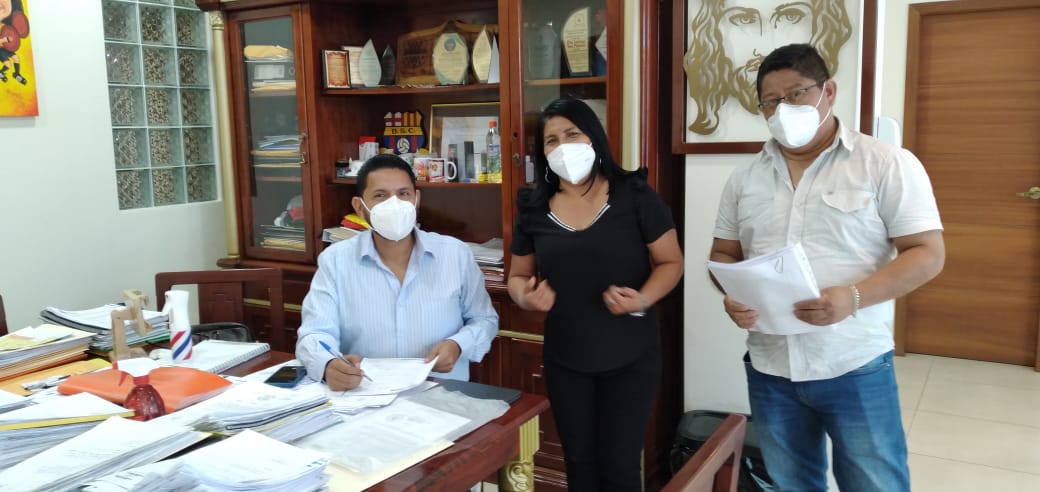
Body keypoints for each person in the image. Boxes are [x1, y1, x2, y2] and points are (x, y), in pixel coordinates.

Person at [709, 44, 945, 492]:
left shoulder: (884, 163)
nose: (783, 109)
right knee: (791, 483)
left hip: (853, 361)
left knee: (875, 483)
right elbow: (723, 255)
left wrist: (853, 298)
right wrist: (732, 294)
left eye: (796, 94)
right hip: (770, 365)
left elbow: (927, 253)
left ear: (828, 92)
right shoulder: (745, 178)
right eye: (771, 101)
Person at [508, 98, 684, 491]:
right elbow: (517, 276)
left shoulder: (635, 195)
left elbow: (671, 262)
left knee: (620, 467)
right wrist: (525, 297)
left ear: (593, 137)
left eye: (572, 134)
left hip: (631, 357)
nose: (563, 146)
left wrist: (642, 298)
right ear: (543, 152)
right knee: (579, 464)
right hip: (566, 357)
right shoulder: (534, 208)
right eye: (552, 140)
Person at [295, 154, 498, 390]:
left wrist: (459, 345)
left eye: (403, 193)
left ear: (416, 199)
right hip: (366, 393)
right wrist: (328, 364)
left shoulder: (455, 254)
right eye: (380, 195)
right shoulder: (335, 261)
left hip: (442, 392)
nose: (395, 204)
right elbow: (314, 333)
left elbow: (484, 319)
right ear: (359, 207)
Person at [683, 0, 852, 135]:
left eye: (791, 17)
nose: (764, 50)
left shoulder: (867, 161)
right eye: (743, 20)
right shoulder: (753, 168)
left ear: (828, 92)